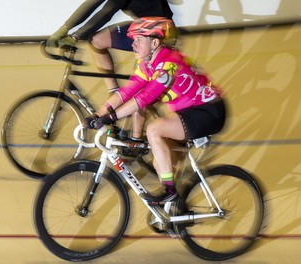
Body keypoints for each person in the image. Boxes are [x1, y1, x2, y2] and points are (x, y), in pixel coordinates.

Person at [84, 17, 226, 203]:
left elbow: (144, 98)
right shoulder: (147, 63)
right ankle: (175, 210)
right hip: (189, 111)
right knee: (159, 162)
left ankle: (170, 192)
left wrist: (112, 117)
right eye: (133, 40)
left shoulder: (169, 64)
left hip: (208, 112)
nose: (133, 45)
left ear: (155, 42)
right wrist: (98, 114)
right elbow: (126, 92)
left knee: (154, 129)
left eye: (138, 40)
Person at [46, 0, 174, 93]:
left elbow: (107, 12)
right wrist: (64, 29)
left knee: (137, 91)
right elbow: (92, 4)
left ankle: (133, 111)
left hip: (161, 30)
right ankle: (114, 91)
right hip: (145, 26)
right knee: (97, 40)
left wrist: (75, 37)